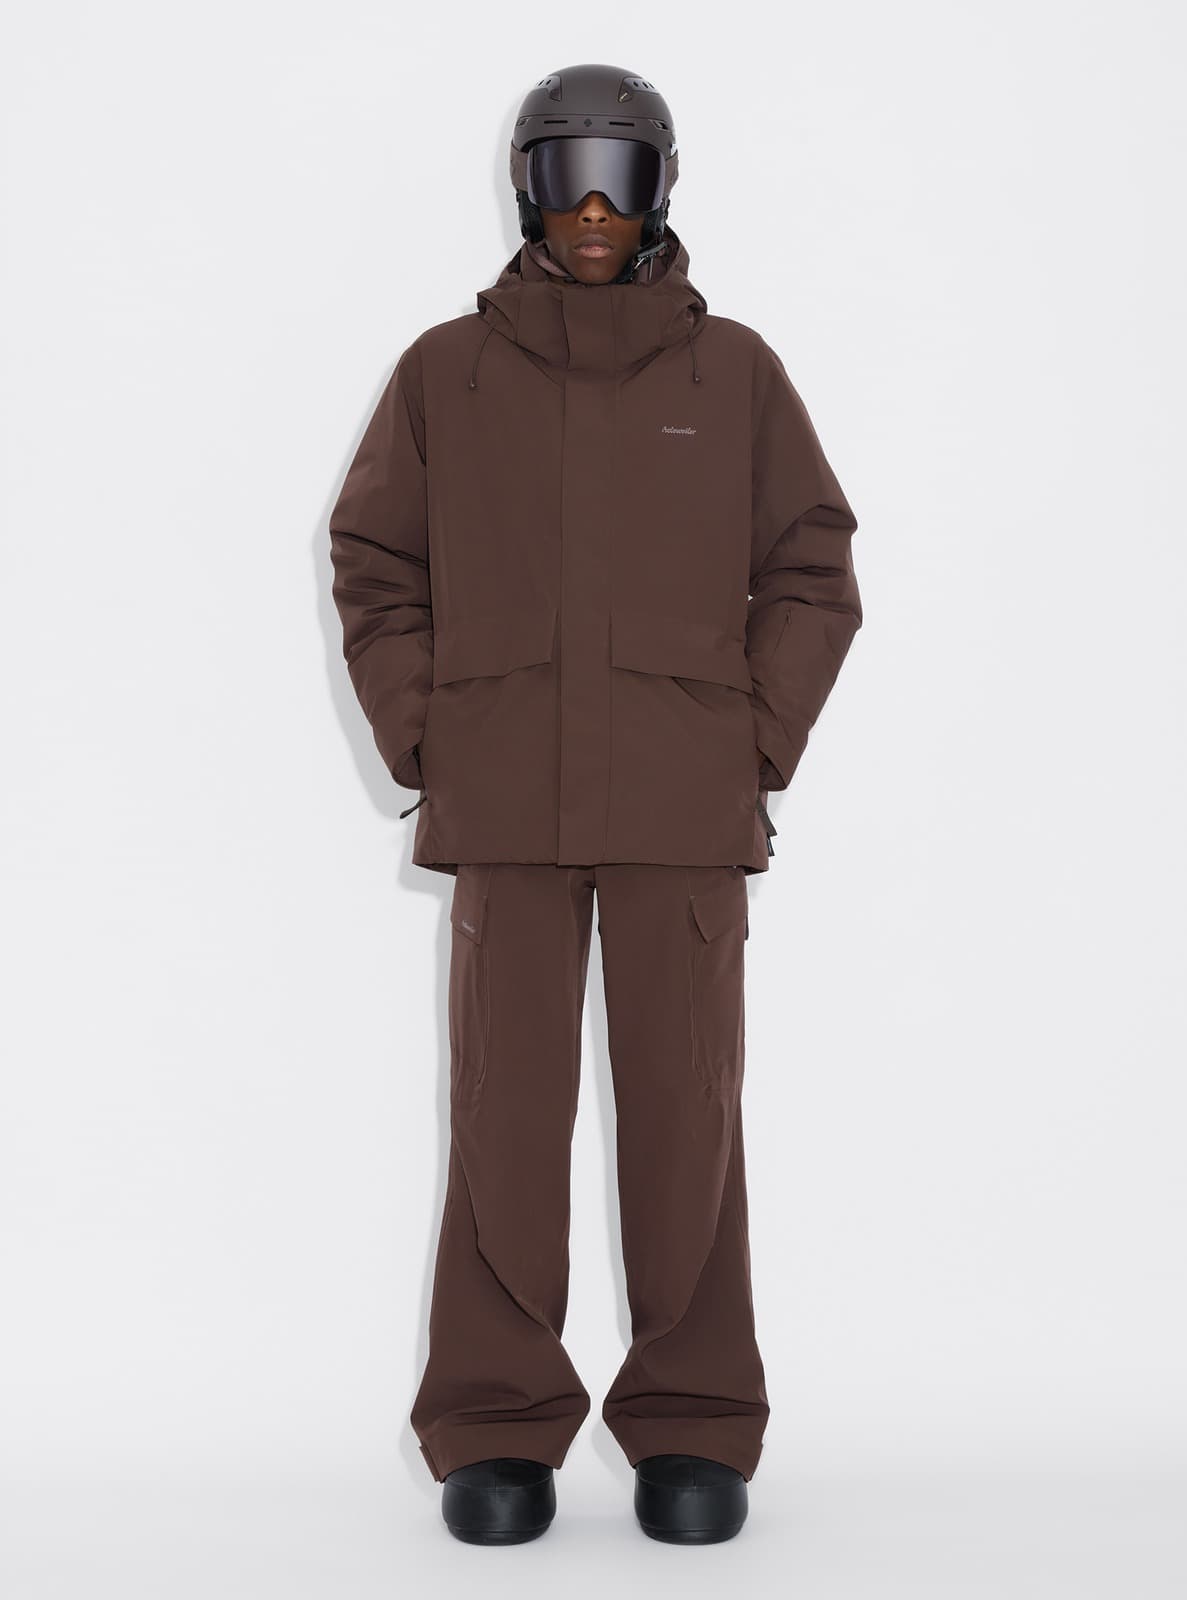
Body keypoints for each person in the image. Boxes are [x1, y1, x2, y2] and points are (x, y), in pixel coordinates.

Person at [328, 62, 862, 1546]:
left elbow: (813, 565)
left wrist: (752, 741)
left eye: (620, 179)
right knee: (504, 1120)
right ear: (527, 188)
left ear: (660, 193)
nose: (592, 211)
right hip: (504, 809)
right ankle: (494, 1425)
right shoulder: (447, 374)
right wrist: (426, 735)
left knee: (687, 1119)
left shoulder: (733, 373)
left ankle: (694, 1422)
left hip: (681, 816)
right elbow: (374, 560)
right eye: (567, 176)